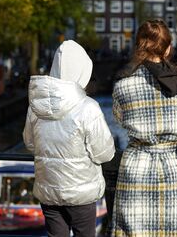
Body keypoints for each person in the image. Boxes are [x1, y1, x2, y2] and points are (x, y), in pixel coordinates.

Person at [110, 19, 177, 236]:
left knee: (132, 230)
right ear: (168, 48)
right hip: (172, 168)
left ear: (139, 46)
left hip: (137, 165)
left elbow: (120, 119)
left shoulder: (122, 86)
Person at [23, 40, 115, 237]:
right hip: (81, 192)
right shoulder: (88, 107)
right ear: (83, 71)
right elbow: (104, 153)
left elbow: (30, 143)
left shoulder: (35, 107)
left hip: (48, 189)